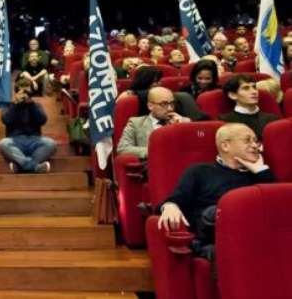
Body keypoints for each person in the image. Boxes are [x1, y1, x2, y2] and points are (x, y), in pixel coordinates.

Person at [157, 123, 275, 261]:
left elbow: (276, 207)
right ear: (225, 146)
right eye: (247, 140)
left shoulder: (259, 175)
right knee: (216, 212)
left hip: (253, 231)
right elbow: (177, 199)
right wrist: (170, 205)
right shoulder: (199, 171)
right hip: (213, 233)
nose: (255, 146)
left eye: (256, 141)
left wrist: (261, 171)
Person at [0, 80, 56, 174]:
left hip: (34, 140)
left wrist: (31, 104)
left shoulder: (36, 105)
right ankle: (33, 166)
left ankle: (20, 165)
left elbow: (42, 120)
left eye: (27, 91)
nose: (25, 95)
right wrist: (15, 105)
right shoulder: (9, 106)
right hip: (15, 140)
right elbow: (6, 120)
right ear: (17, 93)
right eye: (22, 92)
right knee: (3, 144)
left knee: (50, 144)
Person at [117, 87, 191, 159]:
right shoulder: (136, 123)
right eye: (163, 104)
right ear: (150, 106)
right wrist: (154, 151)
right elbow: (123, 148)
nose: (170, 108)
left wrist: (180, 128)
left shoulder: (184, 122)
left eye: (171, 103)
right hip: (152, 165)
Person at [218, 75, 279, 140]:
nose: (254, 92)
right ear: (233, 95)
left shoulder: (273, 119)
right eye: (246, 88)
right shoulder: (225, 121)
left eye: (254, 87)